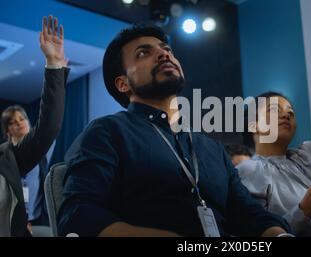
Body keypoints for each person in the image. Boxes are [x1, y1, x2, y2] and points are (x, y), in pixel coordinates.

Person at [58, 24, 291, 237]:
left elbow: (249, 213)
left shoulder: (211, 149)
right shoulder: (107, 132)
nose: (164, 54)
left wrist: (279, 235)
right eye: (143, 53)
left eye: (166, 48)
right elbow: (79, 215)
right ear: (123, 83)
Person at [237, 21, 311, 236]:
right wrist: (303, 212)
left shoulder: (308, 154)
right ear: (252, 124)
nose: (286, 113)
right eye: (273, 109)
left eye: (291, 110)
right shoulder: (246, 172)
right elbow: (254, 233)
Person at [0, 15, 69, 237]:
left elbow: (47, 127)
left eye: (22, 119)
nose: (20, 124)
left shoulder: (9, 157)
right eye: (14, 121)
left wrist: (55, 66)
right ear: (7, 129)